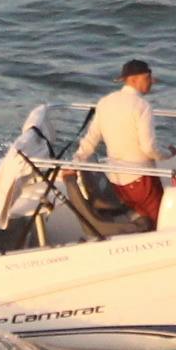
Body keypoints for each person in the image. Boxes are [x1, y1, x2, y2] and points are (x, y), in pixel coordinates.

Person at [72, 58, 166, 229]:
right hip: (141, 182)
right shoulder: (142, 106)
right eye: (148, 78)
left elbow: (90, 140)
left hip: (118, 183)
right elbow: (149, 148)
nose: (151, 83)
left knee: (144, 219)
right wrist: (167, 154)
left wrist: (75, 162)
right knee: (161, 222)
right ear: (134, 80)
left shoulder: (105, 102)